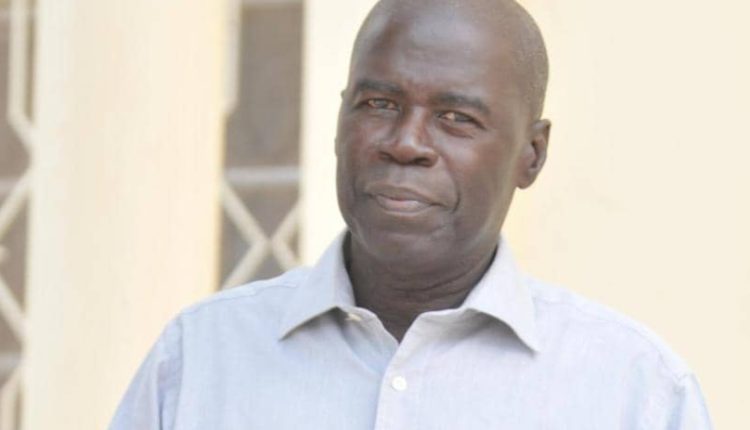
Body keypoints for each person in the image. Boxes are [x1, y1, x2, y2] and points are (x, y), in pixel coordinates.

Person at [110, 0, 713, 428]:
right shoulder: (199, 360)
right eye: (379, 104)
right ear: (340, 120)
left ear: (531, 155)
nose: (405, 143)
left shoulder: (635, 392)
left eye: (456, 118)